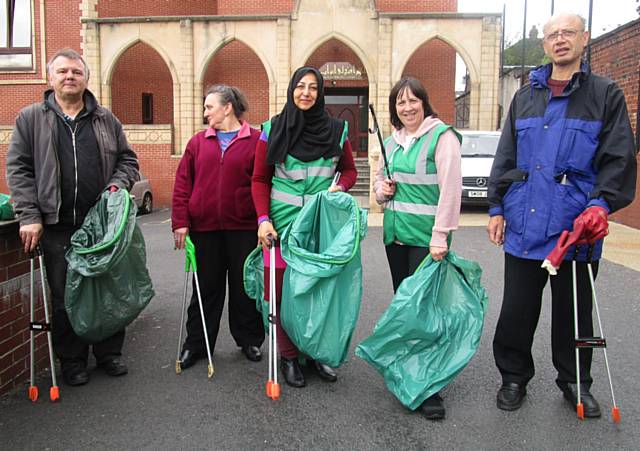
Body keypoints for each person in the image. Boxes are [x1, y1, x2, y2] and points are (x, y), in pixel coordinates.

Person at [487, 13, 637, 418]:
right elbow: (506, 157)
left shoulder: (605, 95)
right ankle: (513, 377)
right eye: (553, 35)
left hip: (576, 232)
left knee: (575, 316)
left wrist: (599, 205)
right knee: (516, 312)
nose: (560, 40)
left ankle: (576, 382)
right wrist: (497, 206)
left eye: (568, 33)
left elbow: (619, 158)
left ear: (584, 39)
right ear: (545, 44)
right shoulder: (524, 97)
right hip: (523, 225)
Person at [6, 48, 140, 386]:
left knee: (107, 290)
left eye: (76, 72)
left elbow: (128, 161)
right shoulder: (31, 118)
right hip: (56, 225)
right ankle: (72, 360)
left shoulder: (105, 119)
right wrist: (28, 215)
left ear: (86, 79)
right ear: (50, 78)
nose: (70, 77)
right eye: (63, 71)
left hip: (100, 225)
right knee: (66, 296)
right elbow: (19, 170)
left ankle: (109, 353)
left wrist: (116, 186)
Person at [252, 66, 357, 388]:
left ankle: (313, 354)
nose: (306, 93)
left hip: (319, 230)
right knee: (281, 296)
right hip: (280, 230)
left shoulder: (337, 130)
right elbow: (259, 179)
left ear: (321, 93)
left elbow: (349, 171)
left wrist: (339, 189)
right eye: (301, 86)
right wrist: (263, 220)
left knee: (315, 294)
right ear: (291, 89)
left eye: (313, 87)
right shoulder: (272, 129)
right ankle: (288, 356)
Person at [372, 76, 462, 420]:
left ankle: (430, 388)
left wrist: (441, 235)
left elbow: (451, 189)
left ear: (424, 102)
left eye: (413, 101)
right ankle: (409, 371)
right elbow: (379, 188)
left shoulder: (442, 137)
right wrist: (383, 190)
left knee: (425, 312)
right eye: (400, 102)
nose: (407, 107)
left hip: (427, 242)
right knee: (405, 309)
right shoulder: (391, 143)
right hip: (396, 238)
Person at [172, 85, 265, 369]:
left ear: (228, 108)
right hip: (205, 229)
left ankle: (249, 339)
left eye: (209, 107)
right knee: (206, 289)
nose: (205, 113)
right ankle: (196, 345)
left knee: (244, 288)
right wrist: (180, 222)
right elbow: (182, 185)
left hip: (243, 229)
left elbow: (263, 182)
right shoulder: (197, 143)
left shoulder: (257, 140)